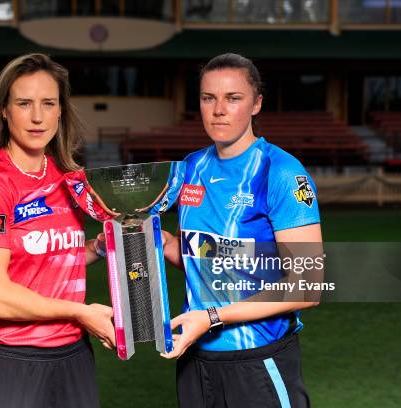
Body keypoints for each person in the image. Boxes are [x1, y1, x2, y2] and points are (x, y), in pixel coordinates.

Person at [0, 53, 115, 408]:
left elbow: (48, 256)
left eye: (48, 103)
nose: (38, 116)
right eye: (24, 103)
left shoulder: (67, 178)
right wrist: (79, 312)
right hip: (12, 360)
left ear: (61, 111)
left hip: (73, 358)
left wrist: (98, 249)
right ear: (4, 111)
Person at [160, 53, 322, 408]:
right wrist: (147, 237)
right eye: (208, 98)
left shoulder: (280, 172)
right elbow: (198, 255)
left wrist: (213, 317)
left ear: (256, 104)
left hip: (258, 358)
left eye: (233, 98)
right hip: (195, 356)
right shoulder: (190, 168)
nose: (219, 109)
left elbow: (308, 287)